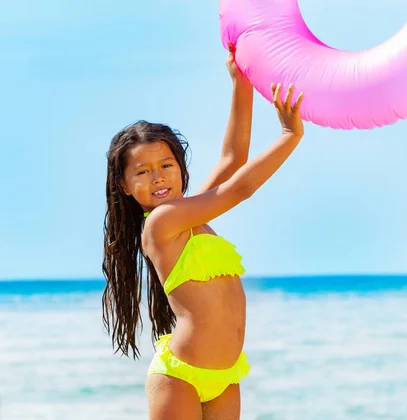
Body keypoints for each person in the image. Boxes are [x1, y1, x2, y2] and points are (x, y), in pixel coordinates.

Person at [101, 45, 305, 420]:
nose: (158, 176)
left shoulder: (190, 215)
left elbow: (232, 161)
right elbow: (238, 188)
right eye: (142, 171)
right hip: (182, 377)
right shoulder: (161, 223)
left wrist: (240, 82)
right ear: (126, 186)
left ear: (180, 167)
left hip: (225, 374)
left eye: (166, 164)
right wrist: (289, 135)